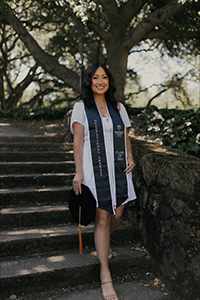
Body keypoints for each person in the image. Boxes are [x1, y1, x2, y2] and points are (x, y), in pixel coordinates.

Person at [70, 63, 136, 300]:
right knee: (103, 216)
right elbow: (78, 142)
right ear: (89, 82)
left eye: (104, 77)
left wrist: (130, 156)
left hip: (118, 168)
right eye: (95, 77)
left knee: (117, 215)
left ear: (109, 81)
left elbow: (124, 133)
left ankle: (103, 243)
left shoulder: (118, 107)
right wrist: (79, 172)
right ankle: (105, 275)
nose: (100, 81)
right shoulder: (81, 108)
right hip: (94, 168)